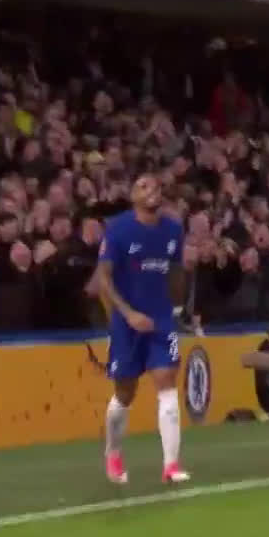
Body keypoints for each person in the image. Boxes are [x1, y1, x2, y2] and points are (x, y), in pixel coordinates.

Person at [94, 174, 189, 485]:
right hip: (127, 323)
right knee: (125, 392)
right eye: (144, 186)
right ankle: (113, 452)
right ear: (132, 195)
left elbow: (176, 271)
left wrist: (177, 309)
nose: (153, 191)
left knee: (166, 380)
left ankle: (171, 465)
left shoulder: (173, 229)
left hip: (160, 319)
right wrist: (128, 313)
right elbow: (104, 277)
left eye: (157, 186)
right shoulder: (119, 229)